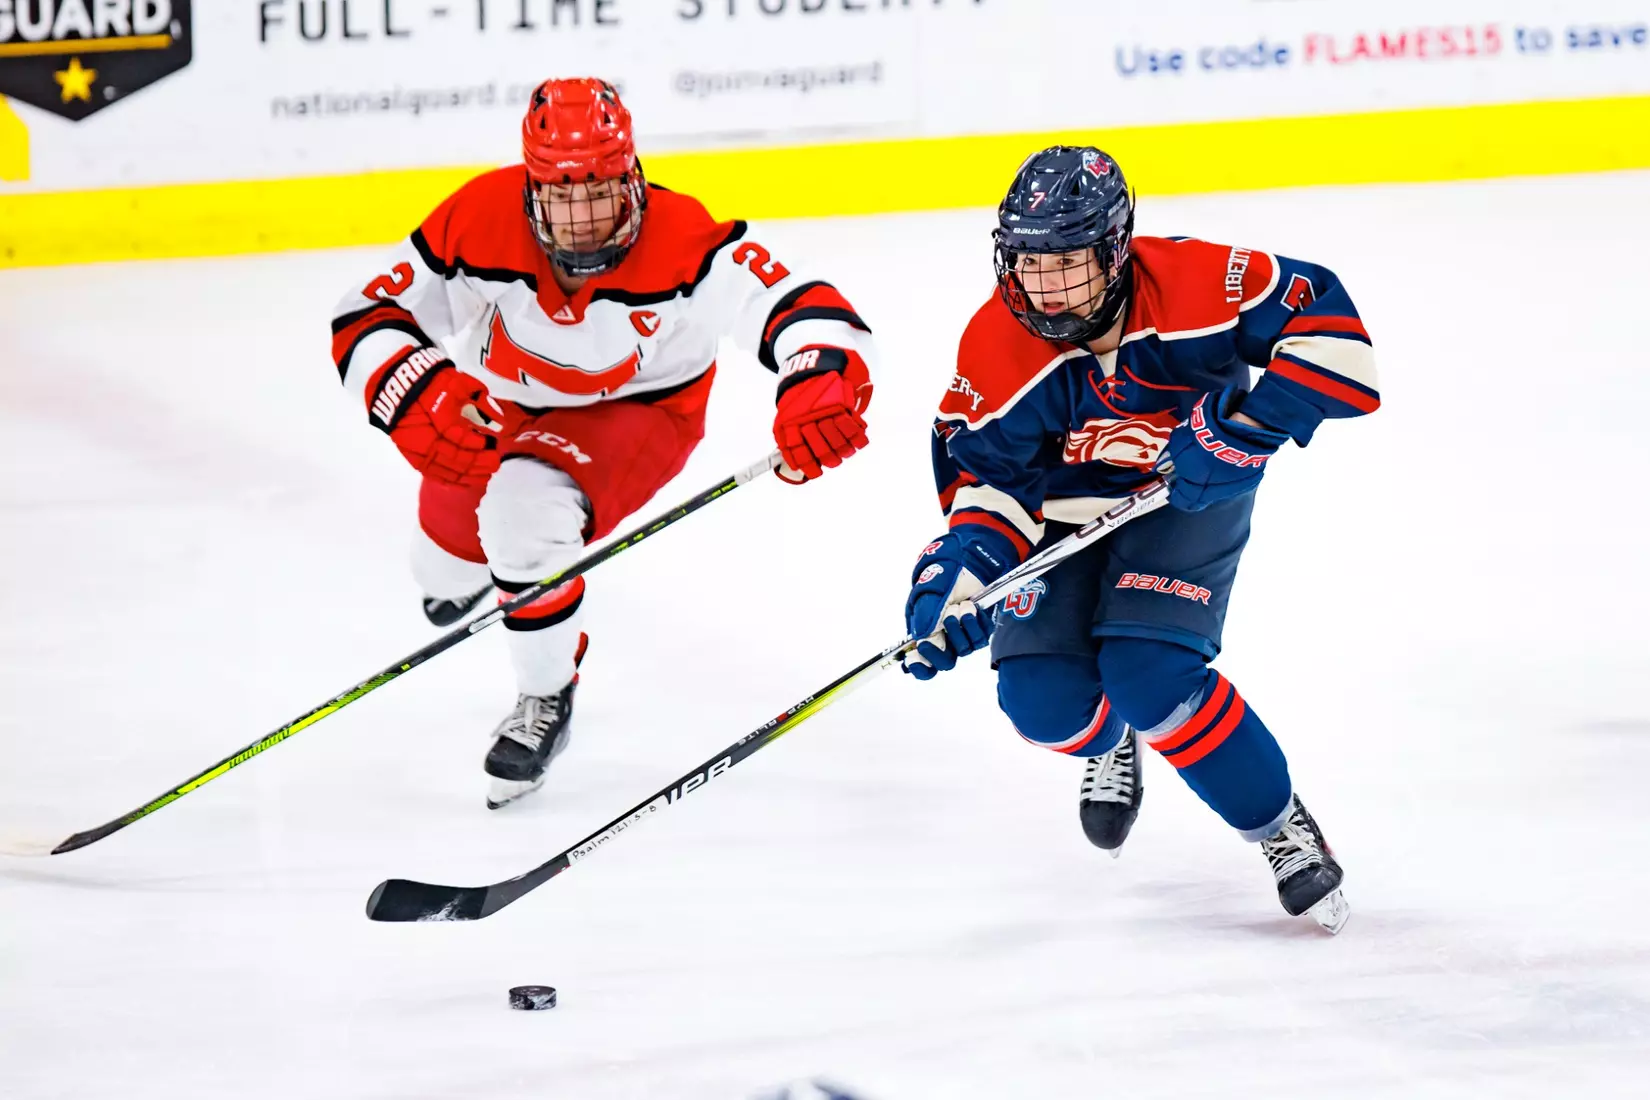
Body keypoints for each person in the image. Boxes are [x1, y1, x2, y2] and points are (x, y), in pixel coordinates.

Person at [329, 78, 876, 808]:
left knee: (525, 521)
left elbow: (794, 300)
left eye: (602, 194)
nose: (583, 220)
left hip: (638, 414)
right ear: (530, 191)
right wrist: (409, 386)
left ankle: (545, 694)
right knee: (444, 559)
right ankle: (480, 579)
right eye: (561, 198)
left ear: (634, 177)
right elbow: (368, 309)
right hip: (502, 403)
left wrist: (818, 377)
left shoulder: (682, 236)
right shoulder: (479, 218)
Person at [901, 146, 1377, 931]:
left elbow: (1341, 349)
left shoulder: (1204, 282)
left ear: (1117, 249)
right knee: (1043, 706)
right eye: (1029, 265)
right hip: (1062, 518)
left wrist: (1248, 430)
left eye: (1069, 264)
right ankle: (1109, 739)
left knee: (1149, 676)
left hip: (1189, 495)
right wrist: (958, 584)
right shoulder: (994, 346)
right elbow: (987, 494)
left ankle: (1277, 826)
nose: (1045, 290)